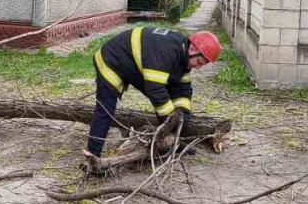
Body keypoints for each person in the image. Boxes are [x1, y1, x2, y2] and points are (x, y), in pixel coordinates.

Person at [83, 26, 221, 169]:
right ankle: (92, 159)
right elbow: (156, 90)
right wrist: (170, 120)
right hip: (112, 60)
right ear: (193, 49)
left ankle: (173, 141)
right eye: (199, 62)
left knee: (164, 98)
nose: (198, 67)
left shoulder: (182, 54)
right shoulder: (166, 52)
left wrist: (183, 116)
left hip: (134, 65)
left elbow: (182, 90)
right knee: (105, 110)